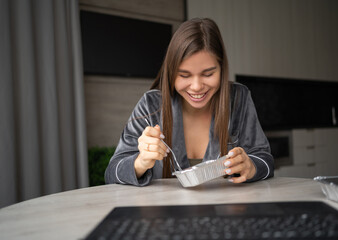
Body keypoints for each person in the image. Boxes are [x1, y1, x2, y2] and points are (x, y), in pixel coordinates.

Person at [105, 18, 274, 186]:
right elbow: (111, 173)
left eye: (208, 74)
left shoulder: (239, 98)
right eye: (184, 75)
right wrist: (140, 162)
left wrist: (252, 167)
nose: (197, 86)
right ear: (171, 73)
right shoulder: (151, 104)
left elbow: (265, 160)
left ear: (222, 69)